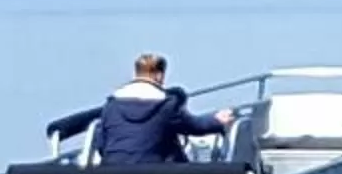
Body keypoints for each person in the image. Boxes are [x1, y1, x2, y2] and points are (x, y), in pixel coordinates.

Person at [92, 53, 235, 163]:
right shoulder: (166, 106)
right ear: (159, 75)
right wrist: (217, 120)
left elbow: (101, 143)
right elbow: (194, 126)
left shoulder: (111, 105)